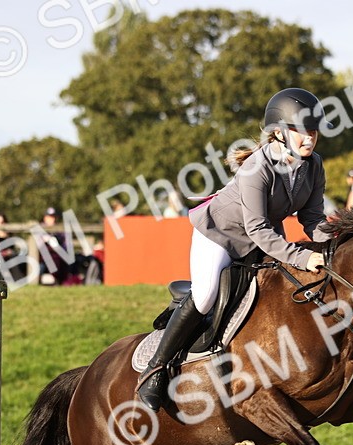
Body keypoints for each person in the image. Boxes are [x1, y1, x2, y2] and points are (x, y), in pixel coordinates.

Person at [136, 87, 332, 411]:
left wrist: (333, 245)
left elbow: (312, 218)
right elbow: (255, 227)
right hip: (220, 234)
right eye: (301, 131)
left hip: (263, 237)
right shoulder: (258, 166)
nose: (309, 138)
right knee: (206, 295)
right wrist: (301, 255)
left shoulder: (314, 166)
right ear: (280, 133)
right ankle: (156, 368)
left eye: (313, 131)